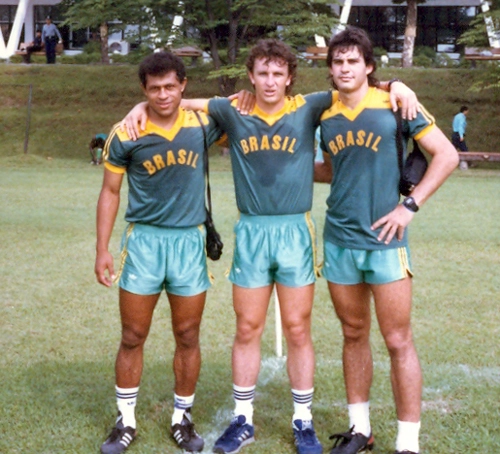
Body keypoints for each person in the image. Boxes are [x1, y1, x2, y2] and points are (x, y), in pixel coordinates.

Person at [122, 39, 419, 454]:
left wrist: (397, 83)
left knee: (298, 328)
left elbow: (355, 84)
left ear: (290, 77)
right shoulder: (233, 109)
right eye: (262, 73)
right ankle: (242, 419)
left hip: (295, 231)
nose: (270, 81)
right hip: (252, 232)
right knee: (247, 327)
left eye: (278, 73)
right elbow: (181, 102)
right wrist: (140, 107)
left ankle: (303, 421)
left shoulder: (308, 106)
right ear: (250, 76)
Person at [314, 26, 459, 454]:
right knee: (353, 333)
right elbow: (330, 170)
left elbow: (446, 155)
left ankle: (407, 443)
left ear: (369, 66)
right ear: (330, 69)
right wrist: (278, 169)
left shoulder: (396, 101)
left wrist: (408, 207)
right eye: (337, 62)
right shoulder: (322, 112)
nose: (344, 68)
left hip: (387, 239)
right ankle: (360, 430)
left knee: (398, 340)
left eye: (352, 61)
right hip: (339, 237)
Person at [95, 51, 222, 454]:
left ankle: (182, 418)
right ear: (143, 90)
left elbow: (242, 104)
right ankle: (126, 420)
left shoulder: (203, 124)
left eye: (171, 86)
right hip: (145, 241)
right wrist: (102, 249)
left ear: (183, 85)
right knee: (133, 334)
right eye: (153, 89)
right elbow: (110, 192)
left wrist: (186, 103)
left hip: (188, 242)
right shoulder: (126, 132)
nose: (163, 95)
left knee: (187, 334)